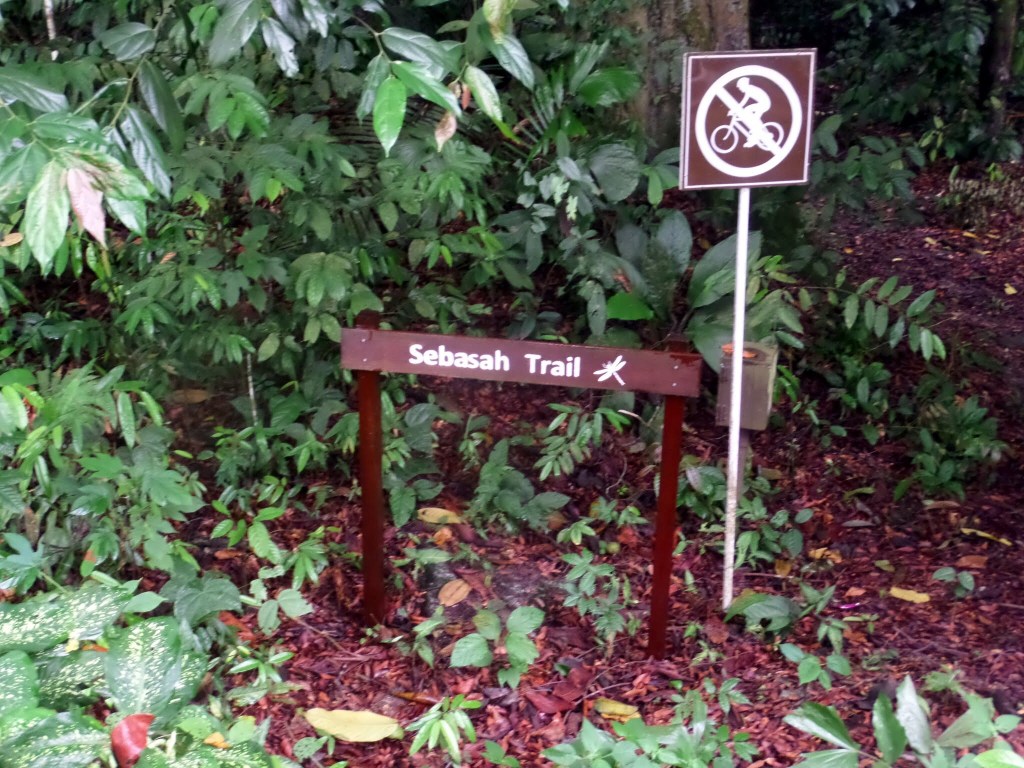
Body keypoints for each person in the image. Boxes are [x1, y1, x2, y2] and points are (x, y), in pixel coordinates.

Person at [734, 76, 771, 148]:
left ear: (744, 85)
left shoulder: (749, 89)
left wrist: (734, 110)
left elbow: (743, 102)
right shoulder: (749, 88)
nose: (740, 89)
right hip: (763, 103)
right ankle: (765, 133)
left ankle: (754, 138)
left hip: (764, 104)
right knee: (752, 116)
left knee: (750, 114)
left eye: (740, 87)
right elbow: (743, 103)